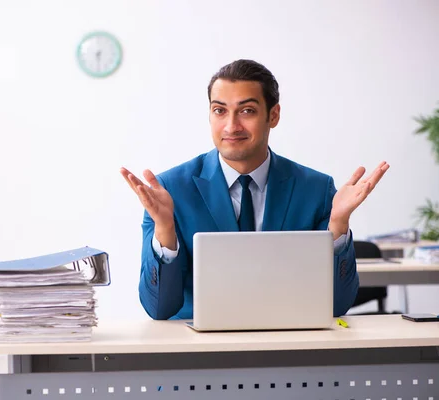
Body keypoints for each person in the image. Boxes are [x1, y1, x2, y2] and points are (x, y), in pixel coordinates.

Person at [120, 59, 389, 320]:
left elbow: (338, 305)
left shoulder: (315, 189)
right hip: (199, 349)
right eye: (219, 110)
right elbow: (159, 309)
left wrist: (339, 224)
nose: (231, 126)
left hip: (289, 344)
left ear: (273, 115)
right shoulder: (170, 191)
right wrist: (165, 228)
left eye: (247, 111)